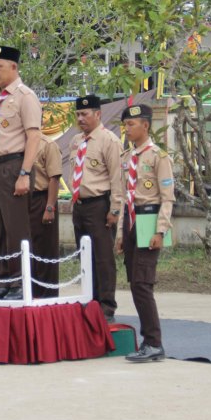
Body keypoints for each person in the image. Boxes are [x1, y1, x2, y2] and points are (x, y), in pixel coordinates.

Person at [0, 45, 42, 301]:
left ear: (14, 67)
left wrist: (25, 172)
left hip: (14, 166)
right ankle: (2, 280)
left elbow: (34, 136)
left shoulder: (25, 96)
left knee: (16, 228)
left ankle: (19, 282)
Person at [117, 104, 174, 361]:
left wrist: (160, 231)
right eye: (126, 125)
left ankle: (153, 343)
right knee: (135, 283)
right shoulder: (127, 158)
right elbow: (123, 198)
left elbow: (167, 198)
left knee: (143, 283)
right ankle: (148, 342)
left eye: (132, 124)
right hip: (131, 220)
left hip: (149, 220)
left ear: (146, 126)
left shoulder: (158, 157)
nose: (127, 129)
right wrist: (120, 233)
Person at [69, 94, 123, 321]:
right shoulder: (76, 141)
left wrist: (115, 210)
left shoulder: (109, 140)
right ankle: (90, 301)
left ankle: (107, 306)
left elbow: (117, 177)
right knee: (85, 257)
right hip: (79, 206)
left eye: (85, 114)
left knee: (103, 258)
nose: (81, 118)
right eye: (78, 114)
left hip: (99, 205)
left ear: (98, 114)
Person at [29, 134, 62, 298]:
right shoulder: (18, 142)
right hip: (23, 201)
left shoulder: (47, 144)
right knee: (26, 249)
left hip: (42, 198)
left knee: (45, 250)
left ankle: (47, 296)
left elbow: (54, 178)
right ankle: (30, 294)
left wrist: (50, 206)